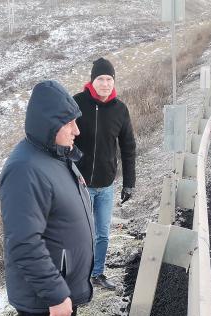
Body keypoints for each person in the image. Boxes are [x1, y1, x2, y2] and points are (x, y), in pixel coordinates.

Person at [0, 80, 94, 316]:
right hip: (42, 290)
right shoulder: (24, 170)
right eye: (69, 122)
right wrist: (55, 293)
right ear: (47, 124)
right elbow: (24, 243)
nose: (77, 129)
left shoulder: (55, 156)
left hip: (62, 284)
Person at [73, 57, 136, 291]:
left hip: (106, 185)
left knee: (102, 234)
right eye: (101, 78)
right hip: (80, 185)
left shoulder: (120, 109)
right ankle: (79, 276)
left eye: (109, 79)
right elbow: (65, 141)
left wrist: (129, 183)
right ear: (92, 80)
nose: (105, 84)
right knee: (81, 234)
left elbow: (128, 147)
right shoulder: (76, 104)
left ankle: (97, 274)